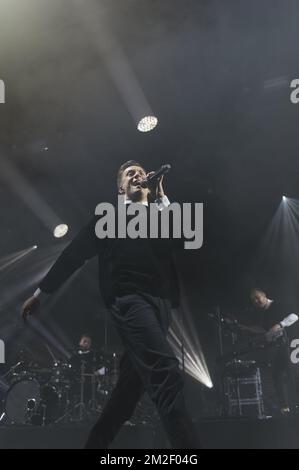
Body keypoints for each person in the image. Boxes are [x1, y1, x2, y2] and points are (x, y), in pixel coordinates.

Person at [21, 160, 200, 449]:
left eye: (141, 172)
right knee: (166, 373)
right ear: (120, 187)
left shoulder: (159, 217)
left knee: (126, 397)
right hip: (129, 300)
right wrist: (41, 294)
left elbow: (187, 237)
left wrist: (163, 197)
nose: (139, 175)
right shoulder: (108, 219)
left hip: (161, 305)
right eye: (131, 173)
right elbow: (73, 255)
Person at [241, 288, 298, 414]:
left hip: (292, 343)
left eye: (257, 297)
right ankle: (285, 407)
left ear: (264, 295)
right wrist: (247, 329)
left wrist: (281, 324)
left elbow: (294, 315)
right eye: (253, 300)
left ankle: (293, 404)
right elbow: (265, 329)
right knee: (277, 375)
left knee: (291, 373)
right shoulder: (264, 313)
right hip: (280, 347)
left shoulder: (278, 305)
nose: (256, 301)